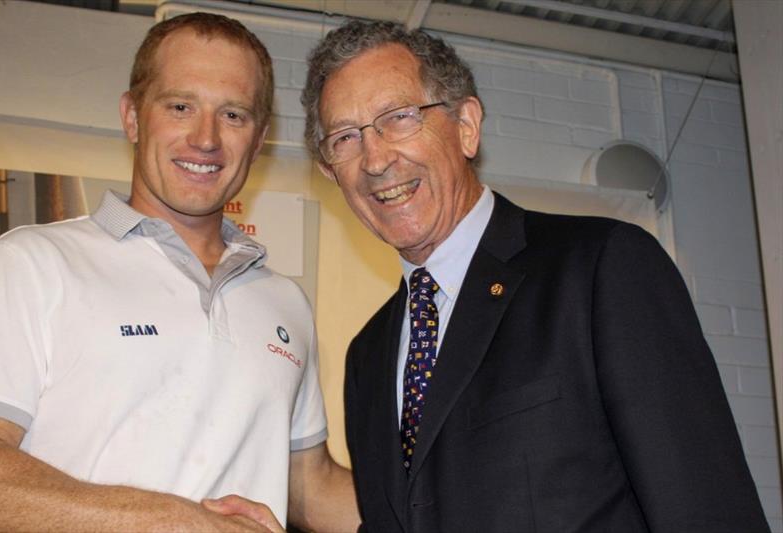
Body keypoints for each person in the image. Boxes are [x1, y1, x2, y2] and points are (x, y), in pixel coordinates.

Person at [301, 19, 770, 532]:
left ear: (466, 126)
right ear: (330, 170)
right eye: (345, 138)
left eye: (399, 117)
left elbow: (706, 511)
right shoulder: (367, 354)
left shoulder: (602, 269)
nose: (375, 158)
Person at [0, 12, 358, 533]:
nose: (205, 138)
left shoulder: (284, 303)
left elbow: (309, 487)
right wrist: (173, 521)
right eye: (181, 106)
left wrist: (464, 502)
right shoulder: (31, 263)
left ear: (259, 139)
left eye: (233, 115)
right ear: (133, 117)